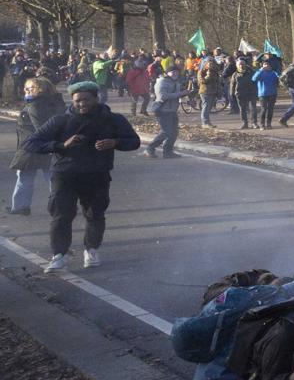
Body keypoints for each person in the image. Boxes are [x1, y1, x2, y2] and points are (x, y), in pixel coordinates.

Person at [24, 80, 141, 270]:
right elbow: (31, 143)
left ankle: (91, 250)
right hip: (65, 175)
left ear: (96, 98)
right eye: (77, 101)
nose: (82, 104)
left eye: (86, 100)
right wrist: (62, 145)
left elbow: (134, 141)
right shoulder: (60, 120)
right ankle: (59, 255)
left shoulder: (113, 119)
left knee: (95, 215)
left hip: (97, 174)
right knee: (61, 215)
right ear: (72, 101)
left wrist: (115, 142)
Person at [10, 76, 62, 215]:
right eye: (26, 87)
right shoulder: (52, 102)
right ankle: (62, 204)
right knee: (52, 178)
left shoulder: (35, 105)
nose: (26, 90)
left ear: (41, 89)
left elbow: (41, 128)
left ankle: (21, 207)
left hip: (33, 147)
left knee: (25, 178)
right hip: (45, 146)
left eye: (31, 88)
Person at [149, 64, 183, 158]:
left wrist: (187, 98)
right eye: (173, 72)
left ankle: (168, 152)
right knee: (166, 132)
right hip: (162, 110)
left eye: (177, 72)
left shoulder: (176, 82)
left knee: (174, 132)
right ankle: (150, 148)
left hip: (172, 110)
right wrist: (181, 93)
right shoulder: (162, 82)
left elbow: (176, 95)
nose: (176, 73)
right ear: (167, 73)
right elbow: (162, 96)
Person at [253, 60, 281, 128]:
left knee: (270, 109)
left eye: (268, 64)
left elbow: (279, 79)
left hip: (272, 93)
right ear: (262, 65)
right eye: (265, 64)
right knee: (264, 109)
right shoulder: (260, 72)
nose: (267, 66)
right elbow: (254, 79)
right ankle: (262, 124)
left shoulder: (274, 73)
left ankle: (269, 123)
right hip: (262, 94)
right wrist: (261, 70)